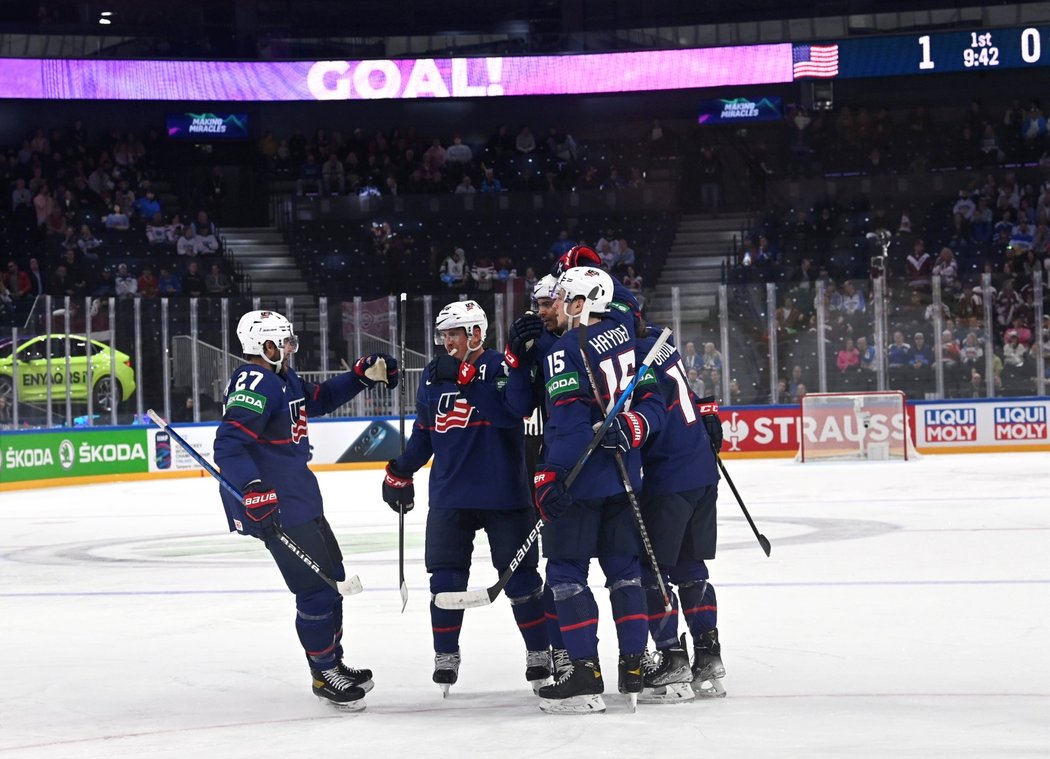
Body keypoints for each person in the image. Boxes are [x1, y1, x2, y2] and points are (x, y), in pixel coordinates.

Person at [213, 310, 398, 710]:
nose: (291, 347)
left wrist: (359, 376)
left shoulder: (282, 377)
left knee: (333, 578)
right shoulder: (256, 381)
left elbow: (317, 400)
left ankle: (333, 662)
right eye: (285, 341)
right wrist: (252, 489)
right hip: (274, 504)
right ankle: (322, 673)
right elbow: (228, 444)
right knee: (314, 590)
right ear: (265, 346)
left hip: (299, 496)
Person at [380, 301, 551, 696]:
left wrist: (465, 375)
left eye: (453, 334)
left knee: (522, 580)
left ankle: (539, 651)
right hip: (449, 494)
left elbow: (511, 414)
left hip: (505, 493)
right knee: (445, 580)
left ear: (476, 333)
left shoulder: (503, 366)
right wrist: (401, 469)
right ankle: (445, 653)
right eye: (442, 335)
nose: (446, 342)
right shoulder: (432, 373)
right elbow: (426, 431)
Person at [530, 266, 666, 714]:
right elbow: (652, 405)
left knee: (566, 574)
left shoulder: (565, 348)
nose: (561, 306)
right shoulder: (625, 336)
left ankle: (584, 677)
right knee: (624, 571)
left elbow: (568, 423)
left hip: (580, 482)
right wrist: (632, 426)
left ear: (585, 302)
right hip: (625, 477)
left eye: (568, 298)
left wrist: (550, 474)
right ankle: (634, 668)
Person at [635, 324, 726, 703]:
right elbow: (685, 396)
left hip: (669, 475)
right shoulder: (660, 342)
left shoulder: (626, 353)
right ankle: (708, 654)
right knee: (691, 566)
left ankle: (672, 656)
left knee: (649, 570)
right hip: (702, 469)